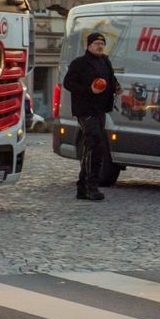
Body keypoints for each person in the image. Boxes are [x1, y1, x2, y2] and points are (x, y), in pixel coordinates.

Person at [62, 32, 120, 201]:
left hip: (100, 110)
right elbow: (68, 83)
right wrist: (89, 90)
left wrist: (116, 87)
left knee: (92, 146)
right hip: (85, 110)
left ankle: (82, 186)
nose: (100, 46)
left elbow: (111, 79)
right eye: (96, 43)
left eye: (102, 43)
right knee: (95, 144)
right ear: (89, 45)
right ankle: (91, 186)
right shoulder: (79, 63)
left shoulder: (105, 61)